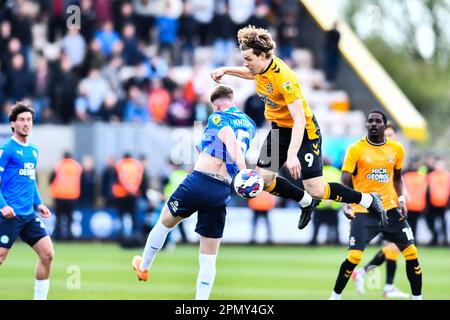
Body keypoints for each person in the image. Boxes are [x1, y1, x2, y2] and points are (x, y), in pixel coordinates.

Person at [210, 25, 386, 231]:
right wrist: (226, 70)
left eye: (248, 59)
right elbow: (252, 74)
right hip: (279, 130)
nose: (245, 63)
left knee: (317, 190)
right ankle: (305, 202)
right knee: (264, 181)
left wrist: (292, 154)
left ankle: (368, 200)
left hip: (304, 132)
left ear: (263, 56)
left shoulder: (284, 78)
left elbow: (300, 119)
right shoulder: (260, 69)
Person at [131, 84, 256, 300]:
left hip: (200, 181)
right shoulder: (251, 124)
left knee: (164, 222)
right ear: (233, 100)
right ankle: (201, 302)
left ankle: (144, 265)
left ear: (216, 106)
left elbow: (229, 139)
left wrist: (244, 172)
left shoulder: (217, 118)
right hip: (222, 189)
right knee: (208, 255)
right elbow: (224, 145)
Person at [329, 111, 422, 300]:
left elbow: (396, 177)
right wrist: (346, 203)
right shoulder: (356, 149)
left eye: (377, 121)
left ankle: (416, 297)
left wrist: (401, 199)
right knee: (354, 257)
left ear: (384, 126)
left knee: (411, 253)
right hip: (363, 210)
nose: (373, 124)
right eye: (370, 121)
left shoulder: (397, 149)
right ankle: (335, 296)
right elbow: (345, 180)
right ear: (366, 125)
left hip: (390, 210)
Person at [0, 102, 54, 300]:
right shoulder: (6, 149)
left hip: (28, 215)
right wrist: (3, 206)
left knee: (47, 254)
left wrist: (38, 203)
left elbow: (30, 181)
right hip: (9, 215)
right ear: (13, 124)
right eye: (21, 120)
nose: (26, 123)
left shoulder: (33, 150)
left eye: (29, 120)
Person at [49, 151, 82, 240]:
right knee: (70, 217)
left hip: (59, 195)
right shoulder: (77, 166)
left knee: (59, 217)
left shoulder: (59, 165)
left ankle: (58, 236)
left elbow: (51, 179)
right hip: (72, 195)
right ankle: (69, 236)